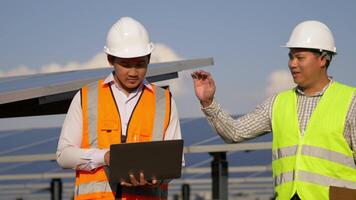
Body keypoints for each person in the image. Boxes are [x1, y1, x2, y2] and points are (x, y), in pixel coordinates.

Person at [192, 20, 356, 200]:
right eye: (290, 56)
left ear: (323, 59)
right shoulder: (277, 103)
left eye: (300, 57)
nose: (292, 64)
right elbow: (235, 132)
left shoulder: (350, 101)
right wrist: (208, 102)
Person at [57, 17, 182, 200]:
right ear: (110, 59)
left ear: (149, 59)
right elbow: (63, 155)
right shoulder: (86, 97)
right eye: (125, 64)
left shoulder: (164, 101)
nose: (133, 72)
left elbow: (176, 162)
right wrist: (104, 157)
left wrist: (157, 177)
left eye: (140, 64)